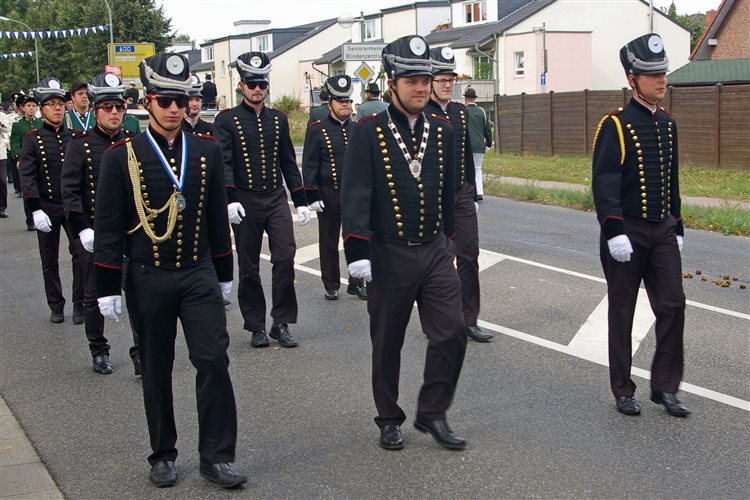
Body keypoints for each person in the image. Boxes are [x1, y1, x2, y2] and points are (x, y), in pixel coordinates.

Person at [94, 53, 245, 488]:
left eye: (181, 100)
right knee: (156, 367)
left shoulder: (206, 150)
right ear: (148, 102)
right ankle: (162, 453)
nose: (175, 109)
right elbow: (109, 226)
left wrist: (224, 274)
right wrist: (107, 285)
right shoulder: (123, 156)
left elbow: (215, 217)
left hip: (197, 271)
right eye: (165, 100)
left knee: (213, 359)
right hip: (148, 275)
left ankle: (216, 456)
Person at [342, 35, 467, 451]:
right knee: (387, 341)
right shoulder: (367, 131)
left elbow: (448, 190)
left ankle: (432, 411)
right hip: (387, 251)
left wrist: (449, 240)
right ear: (391, 82)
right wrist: (357, 251)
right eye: (411, 80)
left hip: (433, 248)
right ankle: (388, 417)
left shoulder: (443, 130)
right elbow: (355, 193)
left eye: (425, 80)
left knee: (451, 332)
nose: (420, 88)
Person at [592, 33, 690, 418]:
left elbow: (671, 180)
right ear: (632, 79)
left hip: (661, 229)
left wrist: (676, 225)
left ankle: (665, 387)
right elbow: (605, 182)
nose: (662, 80)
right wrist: (613, 230)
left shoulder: (667, 124)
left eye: (663, 72)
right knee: (623, 310)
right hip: (627, 231)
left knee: (673, 304)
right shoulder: (615, 125)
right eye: (653, 75)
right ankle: (622, 389)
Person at [214, 51, 311, 348]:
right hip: (245, 199)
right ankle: (256, 325)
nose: (257, 89)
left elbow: (288, 162)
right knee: (249, 266)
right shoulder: (226, 120)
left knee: (285, 256)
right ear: (241, 85)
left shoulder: (278, 119)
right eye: (252, 83)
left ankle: (281, 322)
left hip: (275, 197)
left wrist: (301, 199)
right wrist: (230, 198)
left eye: (262, 84)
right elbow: (224, 162)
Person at [62, 72, 139, 375]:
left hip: (131, 233)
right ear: (96, 111)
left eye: (119, 107)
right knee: (94, 296)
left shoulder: (133, 143)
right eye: (107, 107)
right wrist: (82, 228)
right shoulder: (80, 145)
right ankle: (99, 349)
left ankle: (140, 351)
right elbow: (70, 191)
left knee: (137, 294)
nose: (114, 113)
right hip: (95, 233)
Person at [425, 47, 491, 343]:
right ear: (430, 81)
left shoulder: (461, 112)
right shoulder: (421, 113)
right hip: (430, 197)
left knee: (469, 254)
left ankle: (469, 319)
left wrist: (472, 194)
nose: (447, 85)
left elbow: (465, 155)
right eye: (441, 80)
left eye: (451, 80)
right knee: (435, 261)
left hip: (460, 193)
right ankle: (436, 319)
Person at [19, 78, 87, 324]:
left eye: (60, 103)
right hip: (46, 206)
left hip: (73, 206)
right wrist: (35, 209)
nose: (57, 108)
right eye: (51, 104)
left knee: (81, 255)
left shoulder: (76, 137)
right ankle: (56, 304)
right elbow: (27, 175)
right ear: (42, 109)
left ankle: (80, 302)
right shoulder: (32, 138)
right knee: (49, 259)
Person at [302, 75, 366, 301]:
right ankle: (331, 284)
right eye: (340, 101)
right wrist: (312, 194)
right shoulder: (317, 129)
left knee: (357, 238)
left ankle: (357, 283)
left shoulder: (358, 129)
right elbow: (309, 164)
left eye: (348, 101)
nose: (345, 105)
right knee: (328, 241)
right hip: (329, 193)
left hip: (354, 195)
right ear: (330, 104)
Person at [10, 95, 41, 230]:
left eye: (34, 106)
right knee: (29, 189)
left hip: (40, 160)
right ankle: (30, 219)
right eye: (28, 106)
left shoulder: (41, 124)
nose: (31, 108)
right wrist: (18, 159)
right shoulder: (18, 125)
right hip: (26, 161)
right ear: (23, 108)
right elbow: (15, 144)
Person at [464, 87, 492, 202]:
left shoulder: (463, 111)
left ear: (465, 98)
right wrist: (488, 143)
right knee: (477, 168)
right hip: (479, 145)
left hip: (466, 146)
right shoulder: (482, 111)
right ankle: (479, 192)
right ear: (474, 98)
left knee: (467, 169)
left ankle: (470, 192)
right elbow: (487, 129)